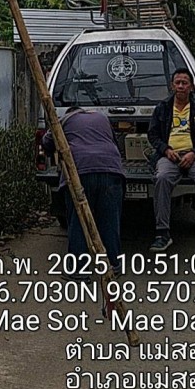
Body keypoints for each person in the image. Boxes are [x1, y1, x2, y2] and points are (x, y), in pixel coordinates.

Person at [148, 67, 195, 253]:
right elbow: (153, 135)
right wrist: (166, 150)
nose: (181, 86)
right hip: (169, 156)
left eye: (185, 83)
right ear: (172, 85)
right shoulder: (162, 109)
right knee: (161, 178)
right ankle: (162, 234)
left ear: (191, 87)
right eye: (178, 83)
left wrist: (194, 153)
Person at [42, 105, 126, 273]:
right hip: (111, 169)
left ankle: (79, 271)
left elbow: (46, 143)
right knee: (109, 222)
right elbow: (114, 142)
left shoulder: (64, 120)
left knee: (79, 222)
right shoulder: (102, 117)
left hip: (80, 171)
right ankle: (113, 266)